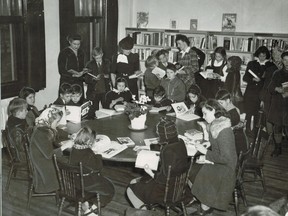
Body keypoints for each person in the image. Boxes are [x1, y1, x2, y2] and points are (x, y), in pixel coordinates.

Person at [126, 118, 192, 209]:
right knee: (137, 182)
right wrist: (147, 147)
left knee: (131, 188)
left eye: (159, 134)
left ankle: (144, 213)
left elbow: (162, 179)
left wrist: (149, 171)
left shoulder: (167, 151)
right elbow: (166, 149)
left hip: (165, 193)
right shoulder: (180, 142)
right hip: (180, 189)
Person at [190, 99, 237, 214]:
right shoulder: (217, 123)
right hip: (219, 161)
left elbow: (226, 158)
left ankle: (205, 207)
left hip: (226, 168)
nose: (204, 117)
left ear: (214, 111)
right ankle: (203, 201)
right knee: (193, 169)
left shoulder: (224, 131)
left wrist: (206, 153)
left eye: (205, 113)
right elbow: (219, 144)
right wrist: (210, 143)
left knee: (197, 171)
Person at [29, 108, 74, 193]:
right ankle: (70, 190)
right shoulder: (41, 133)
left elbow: (57, 131)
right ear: (49, 120)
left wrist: (69, 136)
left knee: (69, 161)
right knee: (69, 163)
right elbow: (49, 155)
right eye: (57, 122)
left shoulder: (44, 128)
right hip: (43, 165)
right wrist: (64, 146)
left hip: (44, 159)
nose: (57, 124)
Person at [69, 126, 115, 207]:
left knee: (103, 184)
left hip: (74, 182)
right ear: (89, 142)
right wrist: (98, 155)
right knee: (109, 189)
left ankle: (86, 203)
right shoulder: (88, 152)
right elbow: (98, 167)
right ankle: (93, 209)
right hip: (86, 183)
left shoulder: (73, 149)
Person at [243, 46, 274, 137]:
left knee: (258, 113)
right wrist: (252, 79)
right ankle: (248, 130)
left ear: (267, 56)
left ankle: (256, 132)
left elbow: (271, 81)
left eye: (264, 56)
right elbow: (245, 77)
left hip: (261, 93)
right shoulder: (252, 63)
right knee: (248, 112)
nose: (261, 58)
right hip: (250, 92)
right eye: (260, 56)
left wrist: (261, 80)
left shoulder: (270, 65)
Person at [259, 47, 283, 153]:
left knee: (278, 124)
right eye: (273, 54)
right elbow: (265, 85)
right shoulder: (269, 68)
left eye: (278, 54)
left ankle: (278, 147)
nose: (275, 56)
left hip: (281, 100)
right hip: (269, 98)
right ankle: (270, 141)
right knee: (268, 119)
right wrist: (262, 99)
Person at [267, 51, 288, 157]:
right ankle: (278, 148)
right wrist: (277, 89)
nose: (287, 62)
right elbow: (270, 88)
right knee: (277, 128)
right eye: (285, 60)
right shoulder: (277, 73)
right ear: (282, 61)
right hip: (279, 105)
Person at [216, 89, 247, 154]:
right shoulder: (232, 108)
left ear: (227, 100)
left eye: (221, 103)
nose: (219, 106)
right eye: (218, 103)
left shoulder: (232, 114)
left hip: (236, 148)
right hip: (234, 141)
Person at [85, 47, 111, 118]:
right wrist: (93, 79)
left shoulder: (107, 62)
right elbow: (86, 79)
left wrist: (107, 76)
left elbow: (112, 74)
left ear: (102, 54)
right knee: (93, 111)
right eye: (96, 58)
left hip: (105, 90)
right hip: (94, 91)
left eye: (100, 57)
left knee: (107, 110)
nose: (98, 60)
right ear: (93, 56)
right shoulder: (89, 64)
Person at [6, 98, 29, 162]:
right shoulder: (18, 128)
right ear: (19, 112)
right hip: (22, 156)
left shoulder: (12, 121)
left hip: (21, 153)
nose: (27, 111)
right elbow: (22, 147)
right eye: (25, 110)